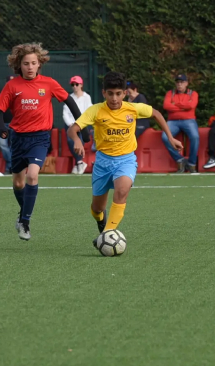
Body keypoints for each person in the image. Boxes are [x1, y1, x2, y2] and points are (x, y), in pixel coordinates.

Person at [67, 71, 183, 249]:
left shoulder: (132, 108)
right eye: (110, 93)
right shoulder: (95, 110)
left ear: (125, 93)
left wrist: (170, 137)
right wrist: (76, 140)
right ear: (104, 93)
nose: (114, 98)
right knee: (97, 208)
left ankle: (106, 234)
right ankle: (102, 223)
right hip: (103, 163)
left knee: (122, 190)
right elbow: (73, 129)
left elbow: (156, 113)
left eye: (118, 93)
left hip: (126, 160)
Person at [0, 43, 88, 241]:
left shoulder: (49, 84)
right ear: (19, 65)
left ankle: (25, 222)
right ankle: (22, 215)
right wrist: (1, 127)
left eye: (33, 63)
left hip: (40, 138)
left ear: (39, 64)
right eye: (26, 63)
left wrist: (82, 128)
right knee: (18, 182)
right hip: (18, 138)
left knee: (33, 176)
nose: (30, 67)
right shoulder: (12, 86)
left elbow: (70, 103)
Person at [162, 74, 199, 173]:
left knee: (195, 137)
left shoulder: (193, 93)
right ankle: (180, 159)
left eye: (182, 82)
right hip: (173, 121)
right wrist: (184, 107)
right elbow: (166, 106)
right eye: (178, 82)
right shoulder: (170, 93)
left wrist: (175, 104)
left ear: (186, 83)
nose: (179, 85)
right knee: (165, 137)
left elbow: (192, 105)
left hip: (189, 120)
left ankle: (191, 164)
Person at [63, 75, 93, 174]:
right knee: (71, 140)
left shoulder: (87, 97)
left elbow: (89, 110)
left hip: (83, 125)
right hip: (72, 125)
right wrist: (70, 124)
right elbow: (65, 113)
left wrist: (82, 123)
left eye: (76, 84)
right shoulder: (69, 97)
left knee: (81, 140)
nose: (75, 86)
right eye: (73, 85)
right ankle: (80, 162)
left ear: (81, 85)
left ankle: (78, 163)